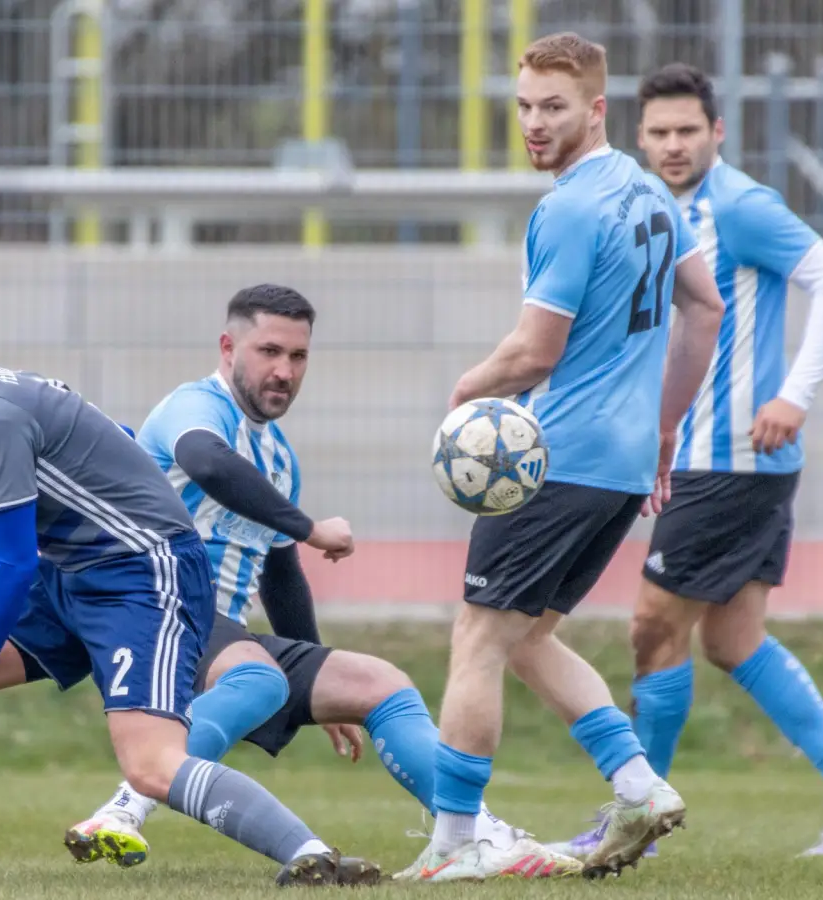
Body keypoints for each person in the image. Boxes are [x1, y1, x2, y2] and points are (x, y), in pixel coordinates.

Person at [0, 284, 380, 888]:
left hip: (142, 578)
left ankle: (313, 858)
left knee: (151, 765)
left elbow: (14, 564)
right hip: (78, 569)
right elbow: (109, 434)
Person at [65, 284, 582, 880]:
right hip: (158, 610)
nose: (284, 371)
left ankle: (468, 834)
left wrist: (316, 676)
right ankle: (123, 810)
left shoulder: (279, 458)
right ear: (228, 347)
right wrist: (309, 526)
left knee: (378, 683)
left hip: (217, 632)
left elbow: (282, 576)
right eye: (269, 351)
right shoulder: (195, 409)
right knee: (257, 680)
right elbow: (208, 463)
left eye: (298, 357)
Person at [394, 33, 726, 884]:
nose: (536, 126)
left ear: (597, 109)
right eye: (525, 108)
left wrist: (467, 390)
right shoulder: (652, 194)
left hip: (554, 459)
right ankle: (640, 785)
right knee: (531, 636)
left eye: (554, 108)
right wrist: (660, 429)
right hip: (616, 467)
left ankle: (459, 839)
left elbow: (535, 353)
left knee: (475, 635)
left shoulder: (570, 207)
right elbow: (705, 308)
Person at [550, 63, 823, 862]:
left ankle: (637, 821)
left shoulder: (737, 206)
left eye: (689, 131)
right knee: (733, 640)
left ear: (717, 134)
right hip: (719, 460)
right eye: (661, 132)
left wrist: (796, 395)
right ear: (638, 137)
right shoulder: (651, 207)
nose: (674, 145)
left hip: (732, 457)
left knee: (651, 627)